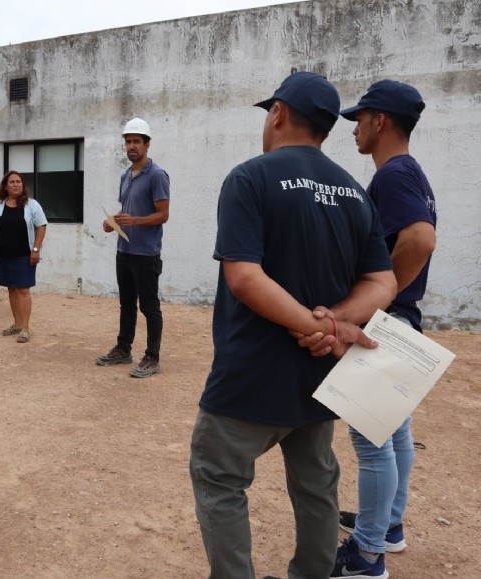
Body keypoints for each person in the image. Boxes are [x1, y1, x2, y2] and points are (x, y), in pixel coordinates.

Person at [188, 72, 397, 579]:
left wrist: (317, 324)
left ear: (278, 113)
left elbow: (243, 277)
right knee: (317, 484)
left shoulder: (250, 177)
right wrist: (336, 323)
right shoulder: (354, 192)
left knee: (219, 479)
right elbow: (383, 280)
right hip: (320, 375)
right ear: (325, 128)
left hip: (250, 375)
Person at [320, 79, 436, 579]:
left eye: (359, 119)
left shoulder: (393, 175)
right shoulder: (412, 173)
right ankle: (387, 526)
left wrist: (378, 299)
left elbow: (419, 238)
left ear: (380, 121)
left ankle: (368, 554)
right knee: (395, 433)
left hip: (387, 320)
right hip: (403, 317)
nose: (354, 129)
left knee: (371, 441)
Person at [95, 117, 170, 378]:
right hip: (124, 250)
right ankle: (123, 349)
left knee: (149, 306)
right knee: (126, 303)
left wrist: (135, 221)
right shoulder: (125, 176)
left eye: (136, 141)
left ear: (147, 145)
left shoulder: (157, 175)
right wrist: (113, 221)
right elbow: (127, 210)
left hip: (146, 253)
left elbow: (163, 215)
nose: (131, 146)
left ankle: (152, 357)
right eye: (128, 142)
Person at [0, 171, 48, 343]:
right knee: (11, 288)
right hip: (4, 255)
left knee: (23, 290)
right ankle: (17, 324)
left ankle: (25, 328)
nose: (16, 184)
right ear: (5, 186)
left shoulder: (32, 205)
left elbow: (41, 227)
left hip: (24, 256)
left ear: (22, 185)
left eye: (18, 181)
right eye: (11, 182)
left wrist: (36, 249)